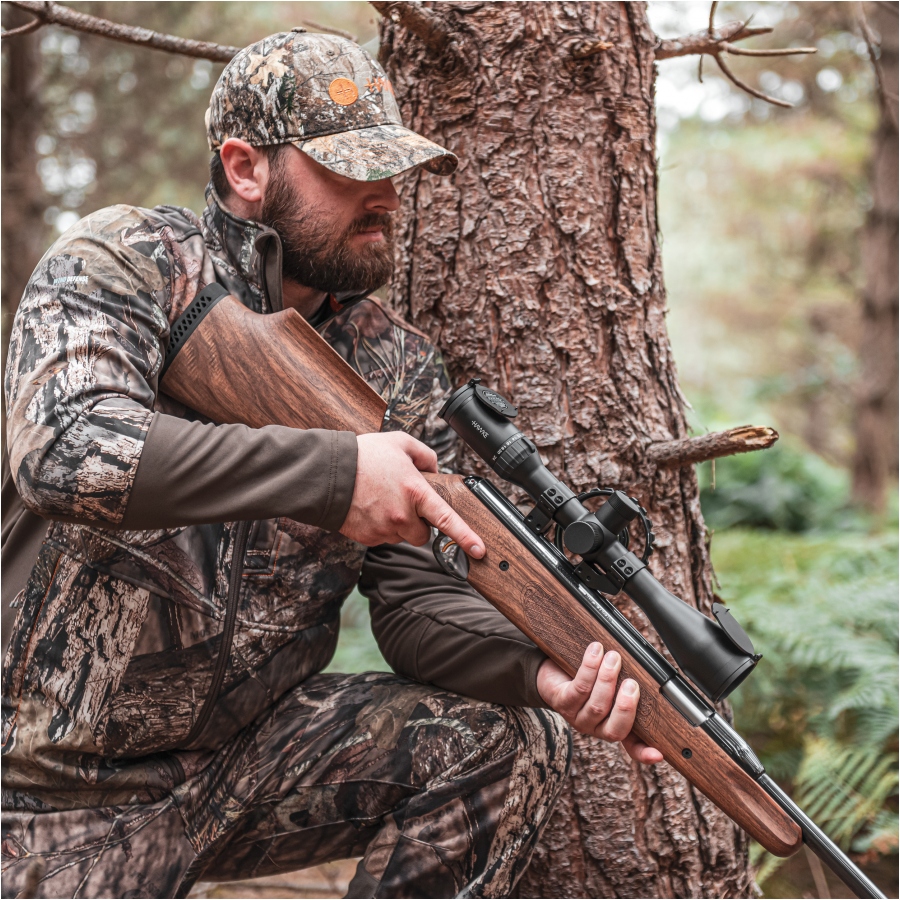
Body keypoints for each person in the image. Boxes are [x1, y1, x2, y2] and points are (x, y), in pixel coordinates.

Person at [2, 31, 662, 899]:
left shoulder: (397, 365)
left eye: (394, 168)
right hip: (33, 792)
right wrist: (335, 476)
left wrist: (539, 668)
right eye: (351, 169)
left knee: (502, 741)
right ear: (245, 169)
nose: (386, 195)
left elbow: (413, 600)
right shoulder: (128, 263)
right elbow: (65, 448)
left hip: (233, 775)